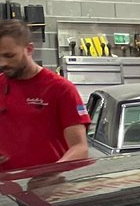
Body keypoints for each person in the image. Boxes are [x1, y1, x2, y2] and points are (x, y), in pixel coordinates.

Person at [0, 20, 91, 171]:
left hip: (51, 183)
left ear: (29, 49)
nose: (2, 63)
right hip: (6, 183)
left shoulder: (60, 89)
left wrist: (50, 174)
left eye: (9, 55)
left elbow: (80, 148)